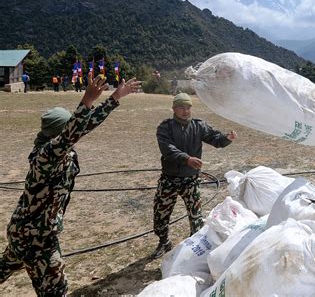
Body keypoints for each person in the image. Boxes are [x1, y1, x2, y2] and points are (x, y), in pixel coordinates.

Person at [0, 74, 142, 296]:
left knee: (7, 264)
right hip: (37, 238)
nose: (79, 132)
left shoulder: (57, 147)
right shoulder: (46, 155)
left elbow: (83, 125)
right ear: (59, 132)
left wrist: (115, 97)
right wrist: (86, 101)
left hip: (24, 231)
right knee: (56, 289)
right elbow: (72, 132)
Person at [153, 93, 237, 258]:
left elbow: (215, 138)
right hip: (169, 178)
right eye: (181, 107)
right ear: (174, 109)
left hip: (191, 179)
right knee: (160, 213)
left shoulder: (199, 126)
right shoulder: (165, 127)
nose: (185, 111)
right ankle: (164, 242)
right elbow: (167, 148)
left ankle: (195, 247)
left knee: (196, 216)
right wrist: (186, 159)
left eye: (188, 107)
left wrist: (226, 138)